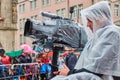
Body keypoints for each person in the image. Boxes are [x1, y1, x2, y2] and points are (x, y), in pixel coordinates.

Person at [51, 1, 120, 80]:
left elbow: (97, 69)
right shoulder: (96, 38)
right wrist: (70, 72)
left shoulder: (112, 33)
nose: (87, 24)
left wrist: (70, 73)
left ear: (101, 18)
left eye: (89, 20)